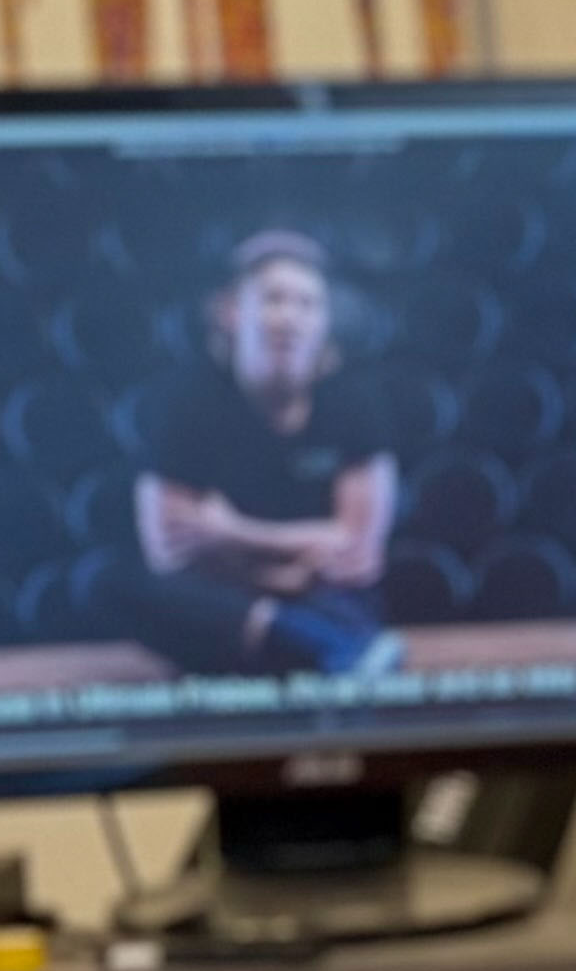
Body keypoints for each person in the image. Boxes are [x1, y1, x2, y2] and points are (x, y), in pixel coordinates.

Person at [117, 228, 402, 678]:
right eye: (273, 299)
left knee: (353, 596)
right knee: (118, 585)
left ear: (324, 320)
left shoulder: (356, 401)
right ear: (230, 311)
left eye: (306, 304)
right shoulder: (181, 401)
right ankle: (312, 644)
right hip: (226, 599)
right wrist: (285, 574)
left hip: (321, 594)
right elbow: (167, 551)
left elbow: (357, 549)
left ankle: (297, 645)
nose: (289, 318)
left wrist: (231, 532)